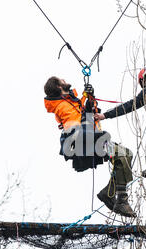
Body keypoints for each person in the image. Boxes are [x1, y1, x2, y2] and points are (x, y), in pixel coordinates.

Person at [43, 76, 136, 217]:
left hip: (91, 141)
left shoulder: (71, 102)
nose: (64, 79)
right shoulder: (61, 106)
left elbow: (84, 114)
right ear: (58, 87)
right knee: (122, 154)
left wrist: (90, 99)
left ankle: (109, 193)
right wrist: (87, 104)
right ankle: (121, 200)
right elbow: (80, 123)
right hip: (85, 143)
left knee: (125, 154)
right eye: (61, 80)